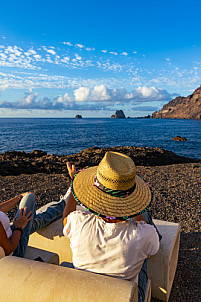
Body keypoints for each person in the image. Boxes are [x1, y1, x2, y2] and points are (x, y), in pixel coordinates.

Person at [63, 151, 162, 302]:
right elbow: (154, 250)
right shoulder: (143, 234)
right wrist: (134, 209)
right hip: (128, 295)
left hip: (85, 293)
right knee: (147, 242)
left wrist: (73, 183)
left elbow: (66, 217)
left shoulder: (78, 222)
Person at [0, 192, 65, 257]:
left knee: (33, 221)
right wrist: (18, 228)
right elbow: (8, 250)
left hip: (7, 234)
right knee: (30, 197)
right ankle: (65, 203)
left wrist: (19, 197)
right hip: (15, 250)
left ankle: (64, 203)